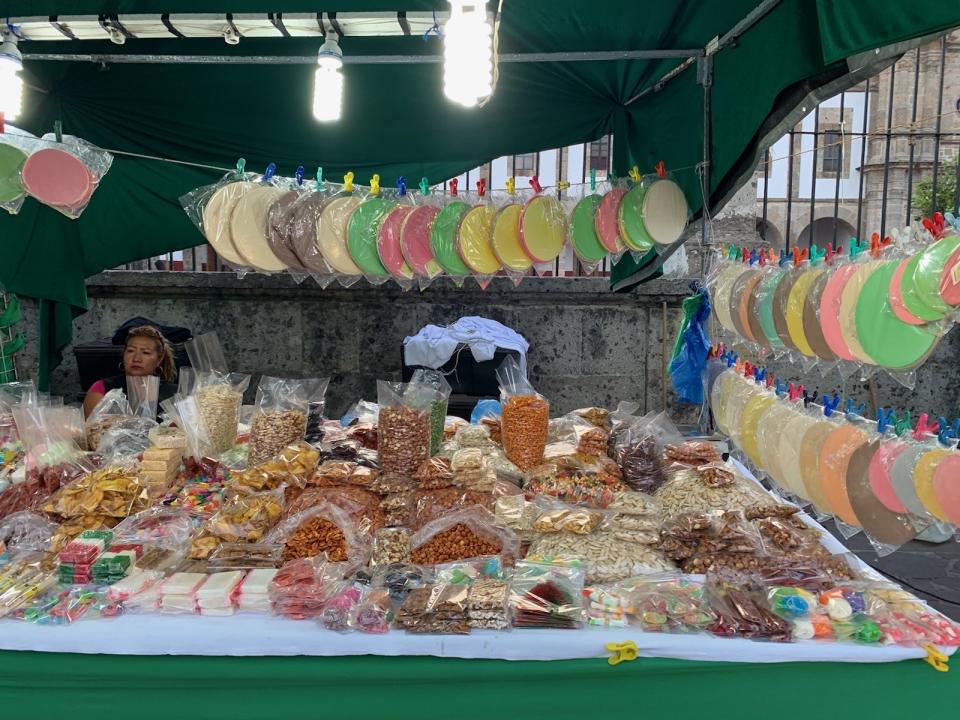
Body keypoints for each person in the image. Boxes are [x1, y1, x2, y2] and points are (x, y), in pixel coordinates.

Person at [83, 325, 178, 418]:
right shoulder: (102, 388)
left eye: (145, 352)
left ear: (159, 359)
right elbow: (92, 430)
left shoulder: (175, 393)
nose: (136, 358)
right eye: (130, 351)